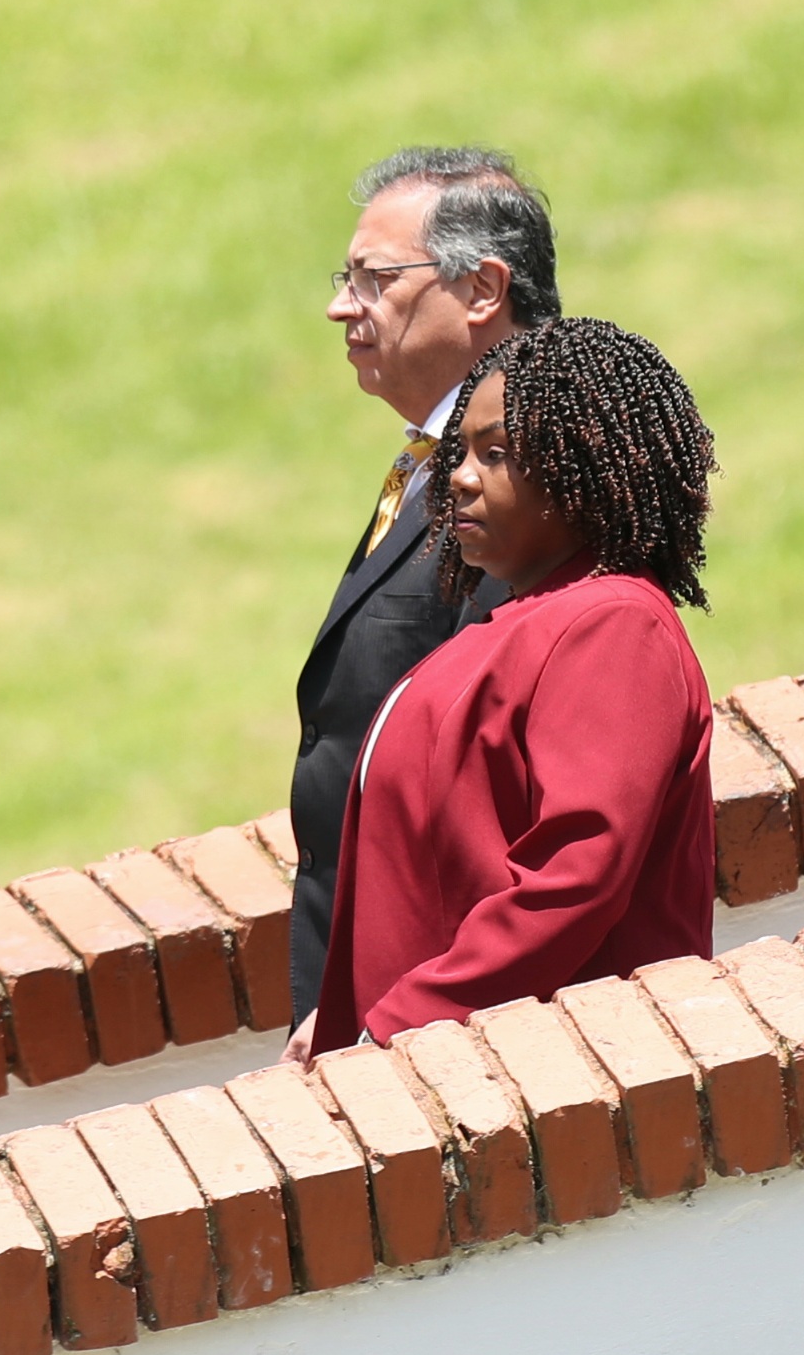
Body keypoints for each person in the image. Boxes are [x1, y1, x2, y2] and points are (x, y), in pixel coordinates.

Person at [295, 317, 718, 1059]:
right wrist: (336, 1026)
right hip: (442, 1060)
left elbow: (574, 872)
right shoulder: (525, 623)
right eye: (460, 451)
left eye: (495, 455)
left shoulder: (611, 624)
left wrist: (397, 1026)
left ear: (577, 463)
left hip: (549, 1076)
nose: (458, 476)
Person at [288, 148, 561, 1028]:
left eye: (373, 279)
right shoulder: (432, 463)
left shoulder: (541, 472)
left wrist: (404, 1015)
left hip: (446, 1015)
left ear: (482, 290)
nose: (340, 306)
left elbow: (495, 767)